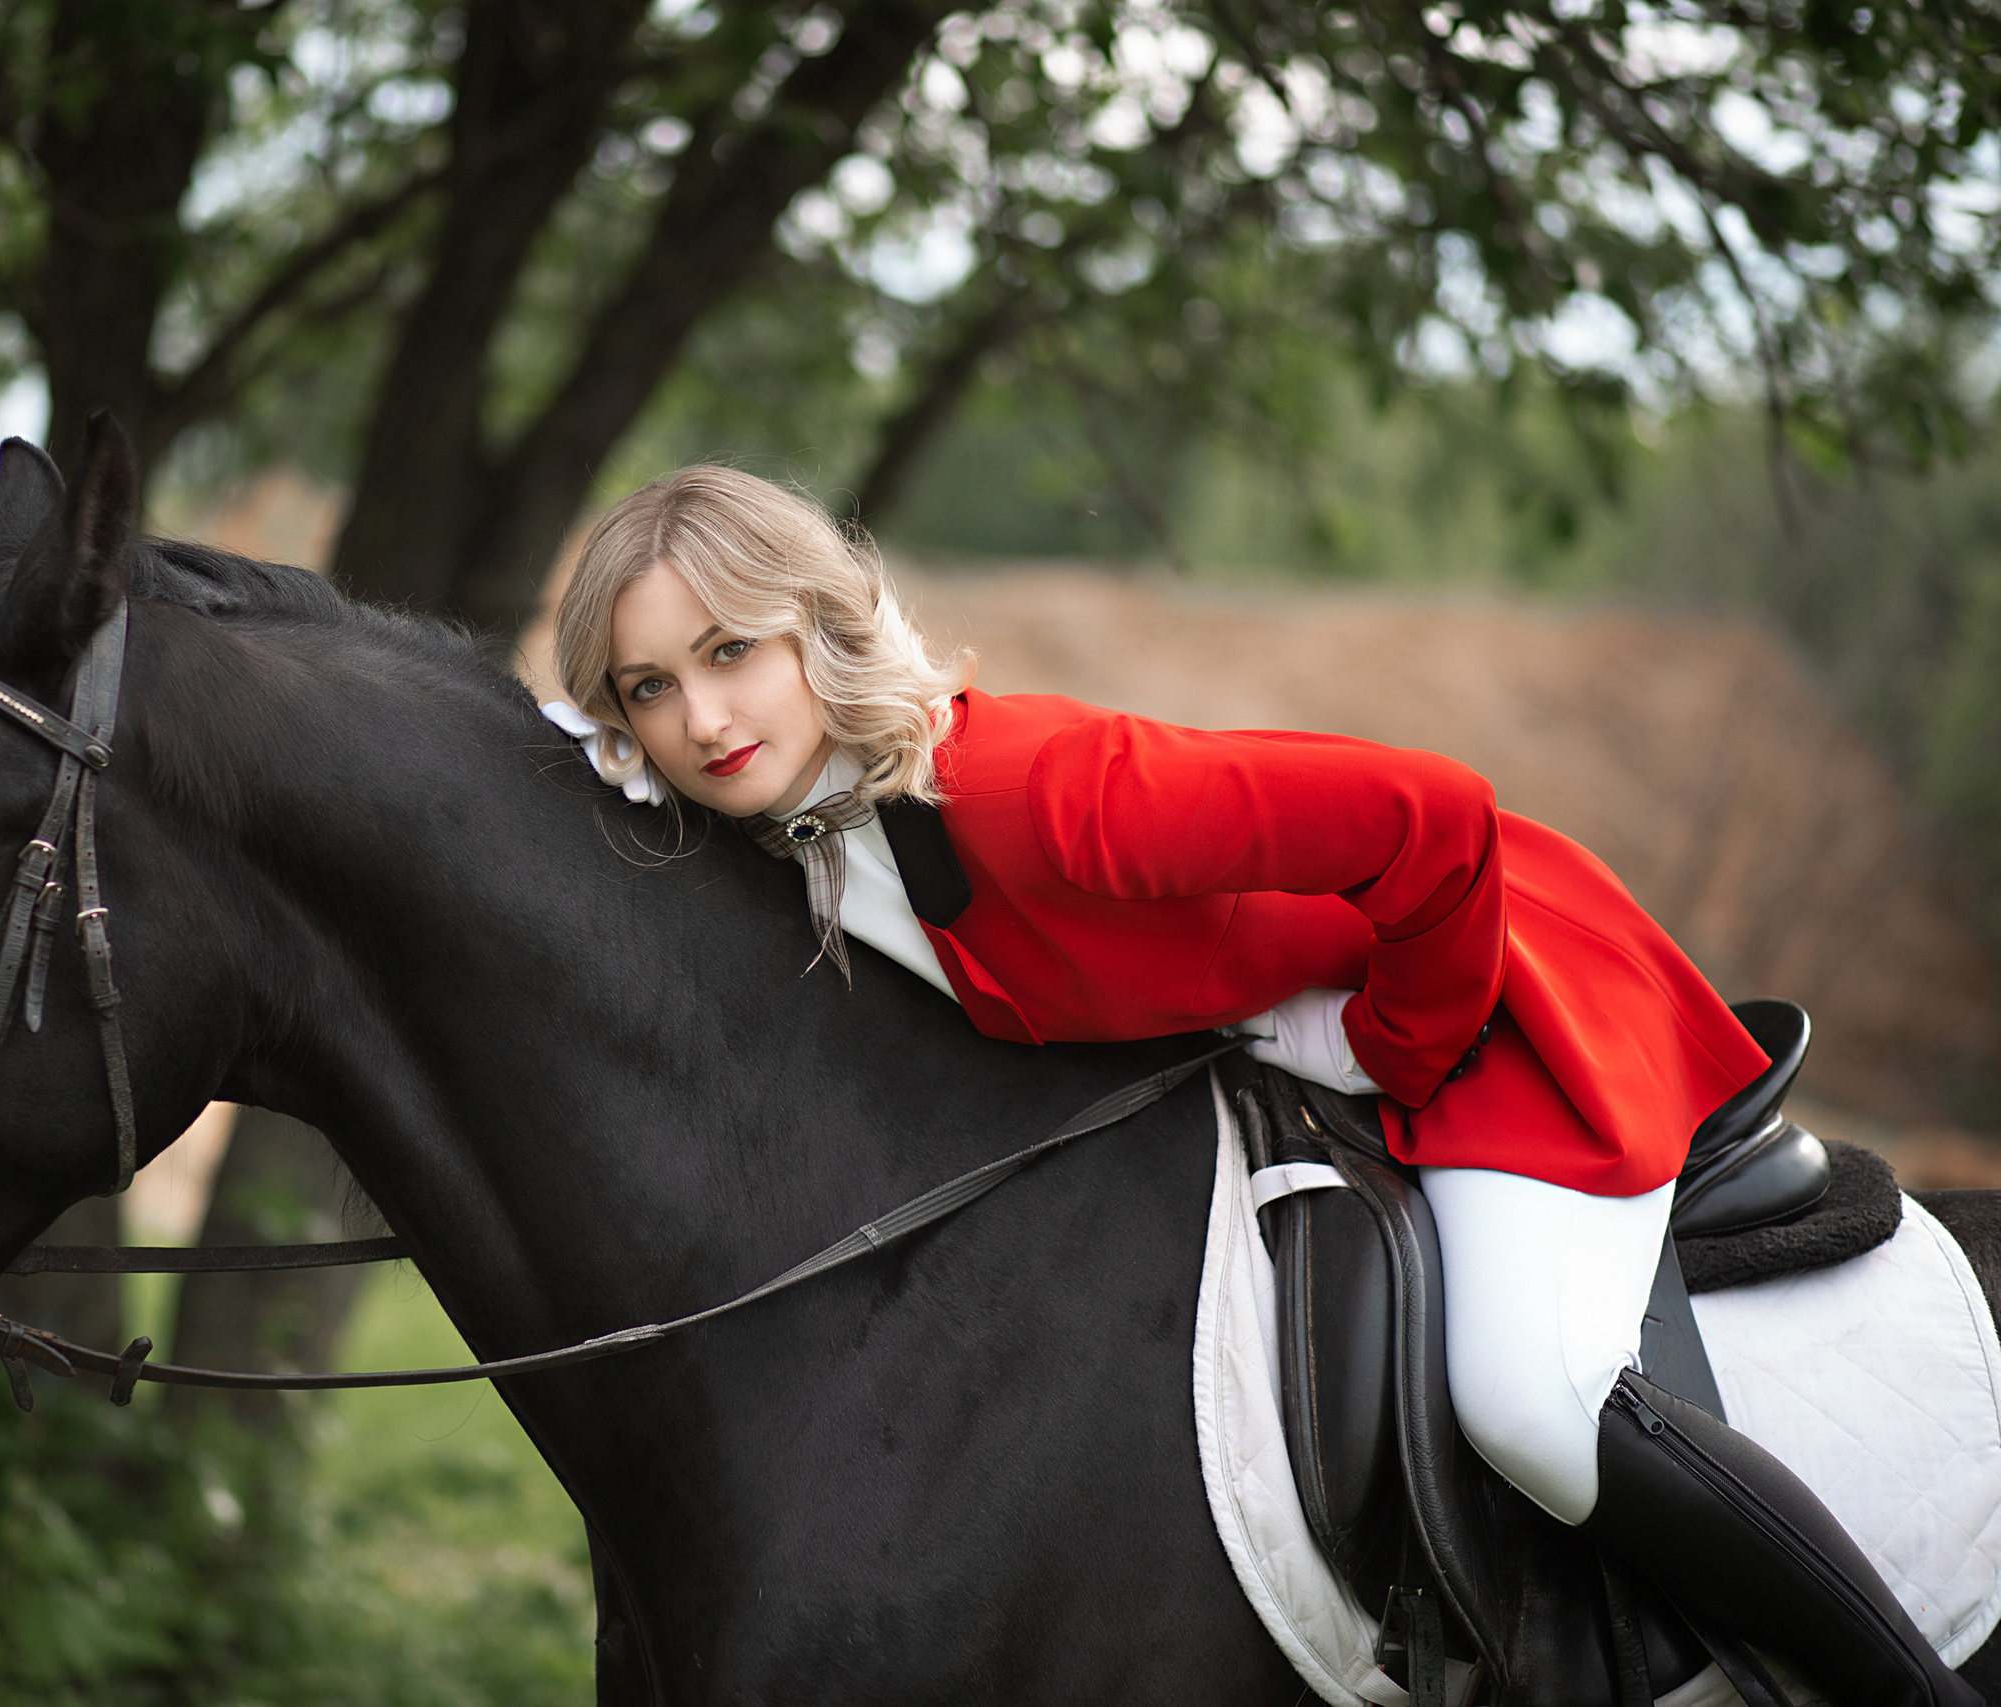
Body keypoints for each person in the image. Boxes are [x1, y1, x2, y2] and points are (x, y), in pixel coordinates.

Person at [540, 464, 1981, 1707]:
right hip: (1290, 1031)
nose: (703, 719)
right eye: (652, 687)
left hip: (1488, 1005)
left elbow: (1436, 819)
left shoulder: (1039, 793)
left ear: (819, 625)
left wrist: (1398, 1047)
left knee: (1529, 1406)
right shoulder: (786, 802)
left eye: (732, 651)